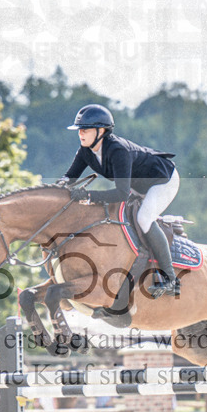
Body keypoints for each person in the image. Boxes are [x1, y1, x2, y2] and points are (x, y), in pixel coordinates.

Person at [57, 104, 181, 298]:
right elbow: (69, 178)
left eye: (85, 130)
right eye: (79, 130)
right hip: (137, 185)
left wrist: (89, 197)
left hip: (163, 180)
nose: (80, 134)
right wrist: (57, 189)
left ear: (101, 131)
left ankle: (170, 279)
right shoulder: (85, 151)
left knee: (144, 219)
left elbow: (121, 194)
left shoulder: (118, 151)